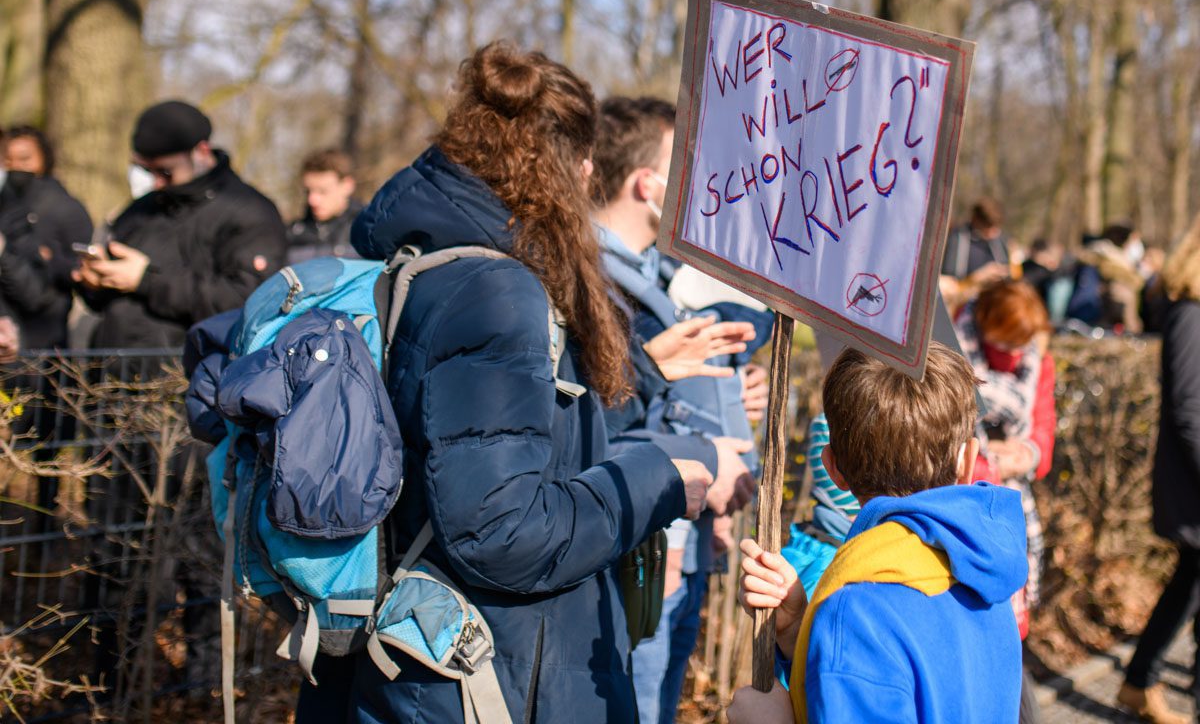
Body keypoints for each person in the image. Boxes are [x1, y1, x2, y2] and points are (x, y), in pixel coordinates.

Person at [343, 42, 713, 723]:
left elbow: (508, 436)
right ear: (568, 170)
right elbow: (501, 531)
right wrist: (658, 480)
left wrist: (644, 373)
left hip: (430, 661)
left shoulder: (427, 256)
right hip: (489, 678)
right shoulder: (495, 292)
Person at [729, 342, 1027, 724]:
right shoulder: (988, 575)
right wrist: (797, 631)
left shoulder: (856, 610)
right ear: (968, 461)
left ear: (832, 468)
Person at [590, 95, 764, 724]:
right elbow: (592, 428)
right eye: (684, 165)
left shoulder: (659, 274)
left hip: (681, 539)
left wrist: (727, 396)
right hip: (636, 548)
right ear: (647, 182)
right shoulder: (591, 284)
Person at [73, 100, 287, 348]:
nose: (156, 183)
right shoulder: (143, 209)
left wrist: (147, 281)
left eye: (165, 172)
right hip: (111, 368)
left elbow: (245, 300)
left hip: (188, 373)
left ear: (202, 152)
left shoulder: (250, 211)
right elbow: (110, 296)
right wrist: (96, 282)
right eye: (146, 172)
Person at [955, 279, 1056, 724]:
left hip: (1013, 510)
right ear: (985, 325)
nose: (1016, 352)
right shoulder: (953, 353)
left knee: (1010, 639)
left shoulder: (1037, 362)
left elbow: (1043, 430)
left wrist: (1027, 454)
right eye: (1007, 341)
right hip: (964, 502)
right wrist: (986, 464)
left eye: (1022, 342)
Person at [1117, 215, 1200, 724]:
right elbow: (1189, 408)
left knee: (1191, 585)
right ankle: (1138, 681)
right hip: (1192, 479)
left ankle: (1138, 680)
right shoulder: (1190, 314)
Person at [0, 124, 93, 349]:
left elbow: (79, 267)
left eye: (24, 159)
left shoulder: (65, 208)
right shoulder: (7, 204)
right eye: (8, 160)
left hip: (44, 333)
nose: (15, 168)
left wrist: (47, 259)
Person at [286, 148, 362, 263]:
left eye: (323, 191)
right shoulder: (293, 233)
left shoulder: (368, 232)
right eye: (308, 191)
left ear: (347, 185)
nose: (312, 200)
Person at [1066, 223, 1145, 333]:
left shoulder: (1097, 256)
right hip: (1095, 324)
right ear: (1123, 240)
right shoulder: (1112, 263)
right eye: (1134, 239)